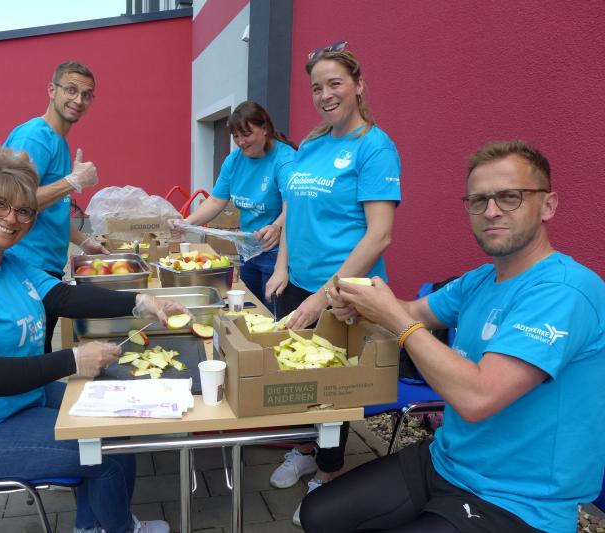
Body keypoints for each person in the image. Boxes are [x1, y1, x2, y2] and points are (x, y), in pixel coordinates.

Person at [301, 140, 605, 533]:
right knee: (317, 514)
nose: (491, 211)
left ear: (548, 205)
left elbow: (478, 398)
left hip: (518, 500)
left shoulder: (565, 291)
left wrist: (393, 316)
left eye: (509, 197)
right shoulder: (480, 280)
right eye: (478, 200)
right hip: (446, 461)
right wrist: (363, 306)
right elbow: (412, 313)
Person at [0, 144, 189, 533]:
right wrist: (74, 361)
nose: (11, 219)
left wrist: (140, 302)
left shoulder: (8, 262)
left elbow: (63, 297)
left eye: (24, 210)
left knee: (120, 418)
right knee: (105, 452)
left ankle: (95, 526)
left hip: (18, 403)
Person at [263, 44, 401, 525]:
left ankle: (327, 475)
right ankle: (305, 450)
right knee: (299, 377)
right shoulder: (312, 145)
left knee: (334, 388)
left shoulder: (375, 147)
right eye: (317, 87)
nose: (325, 95)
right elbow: (293, 212)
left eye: (335, 83)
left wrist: (325, 295)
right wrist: (281, 266)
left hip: (347, 293)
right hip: (300, 283)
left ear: (358, 85)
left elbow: (379, 235)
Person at [4, 60, 110, 353]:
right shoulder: (35, 137)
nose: (79, 100)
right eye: (71, 90)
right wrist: (73, 182)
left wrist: (84, 241)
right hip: (24, 267)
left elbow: (51, 210)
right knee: (32, 357)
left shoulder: (59, 141)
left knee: (42, 348)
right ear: (52, 90)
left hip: (45, 267)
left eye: (86, 95)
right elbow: (13, 203)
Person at [168, 101, 296, 306]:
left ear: (265, 129)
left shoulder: (285, 159)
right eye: (236, 136)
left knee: (272, 312)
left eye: (246, 134)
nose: (241, 142)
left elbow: (294, 204)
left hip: (278, 254)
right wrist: (187, 223)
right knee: (251, 307)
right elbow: (216, 200)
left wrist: (276, 226)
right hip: (249, 250)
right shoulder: (234, 160)